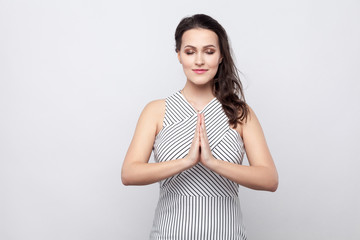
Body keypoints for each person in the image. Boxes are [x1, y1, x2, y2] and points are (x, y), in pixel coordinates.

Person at [121, 13, 278, 240]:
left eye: (209, 51)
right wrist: (186, 162)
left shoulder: (240, 113)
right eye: (190, 52)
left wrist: (212, 163)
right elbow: (129, 173)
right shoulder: (156, 111)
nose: (199, 61)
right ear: (179, 55)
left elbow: (269, 179)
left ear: (221, 56)